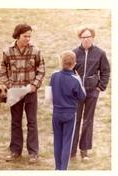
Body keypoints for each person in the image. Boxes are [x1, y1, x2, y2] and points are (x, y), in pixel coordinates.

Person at [0, 23, 45, 163]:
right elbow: (2, 71)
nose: (28, 39)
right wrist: (9, 86)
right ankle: (15, 151)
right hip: (14, 92)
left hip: (30, 92)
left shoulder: (35, 51)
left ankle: (33, 153)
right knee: (15, 122)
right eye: (25, 36)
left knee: (32, 121)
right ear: (18, 35)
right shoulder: (7, 52)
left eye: (29, 36)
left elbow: (41, 70)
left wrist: (34, 85)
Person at [71, 26, 110, 160]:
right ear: (80, 38)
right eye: (83, 37)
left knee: (88, 120)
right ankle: (71, 151)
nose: (86, 39)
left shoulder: (100, 53)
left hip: (92, 91)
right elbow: (69, 71)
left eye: (88, 37)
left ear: (93, 37)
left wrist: (100, 86)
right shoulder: (74, 53)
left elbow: (105, 71)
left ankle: (84, 151)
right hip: (77, 92)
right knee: (75, 120)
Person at [50, 50, 86, 170]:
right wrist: (79, 80)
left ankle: (57, 168)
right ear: (74, 63)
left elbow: (49, 94)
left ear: (61, 62)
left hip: (56, 112)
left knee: (57, 141)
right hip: (69, 113)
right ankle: (63, 169)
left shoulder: (54, 75)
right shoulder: (75, 79)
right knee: (67, 142)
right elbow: (82, 96)